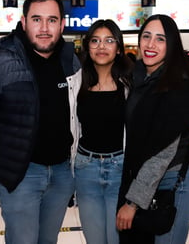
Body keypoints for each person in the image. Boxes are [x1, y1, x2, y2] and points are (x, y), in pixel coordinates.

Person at [0, 0, 81, 244]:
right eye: (37, 19)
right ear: (24, 22)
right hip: (21, 175)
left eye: (52, 20)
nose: (44, 27)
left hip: (61, 174)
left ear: (62, 24)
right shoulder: (0, 62)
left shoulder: (71, 61)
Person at [116, 14, 189, 244]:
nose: (150, 44)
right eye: (146, 36)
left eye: (160, 39)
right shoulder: (137, 78)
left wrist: (132, 203)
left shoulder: (177, 85)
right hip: (141, 179)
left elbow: (162, 151)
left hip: (173, 181)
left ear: (172, 45)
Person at [74, 19, 133, 244]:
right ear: (87, 46)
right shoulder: (75, 84)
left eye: (109, 41)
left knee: (116, 238)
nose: (101, 47)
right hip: (85, 169)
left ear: (118, 48)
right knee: (95, 239)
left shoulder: (131, 85)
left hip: (119, 168)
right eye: (95, 41)